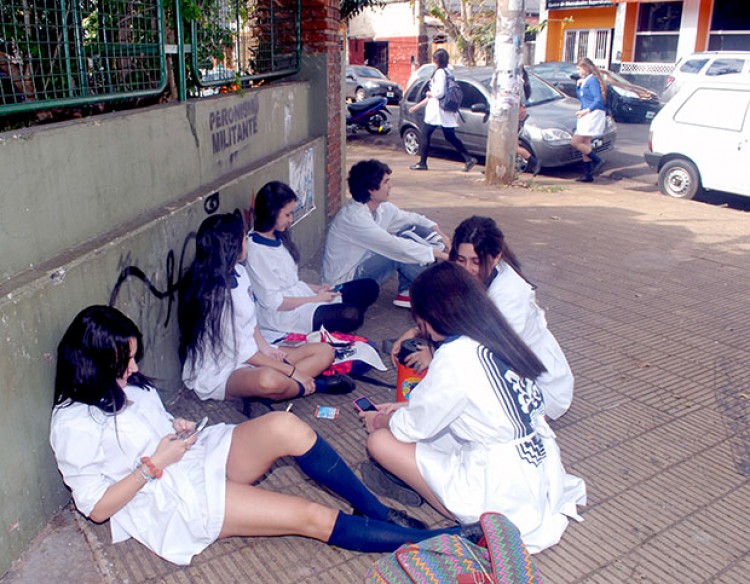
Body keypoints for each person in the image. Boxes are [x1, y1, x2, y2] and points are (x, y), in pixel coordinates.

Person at [50, 305, 470, 566]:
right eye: (124, 362)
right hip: (169, 498)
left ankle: (377, 512)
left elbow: (149, 422)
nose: (134, 368)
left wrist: (175, 425)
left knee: (287, 426)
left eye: (133, 357)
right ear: (91, 365)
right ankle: (440, 541)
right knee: (309, 516)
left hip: (194, 456)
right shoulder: (72, 424)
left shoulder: (128, 384)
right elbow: (97, 509)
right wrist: (154, 464)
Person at [359, 263, 586, 554]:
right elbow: (476, 401)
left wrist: (380, 420)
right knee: (427, 434)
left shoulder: (455, 356)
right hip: (539, 469)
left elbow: (413, 427)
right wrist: (402, 407)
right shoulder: (494, 334)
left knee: (380, 441)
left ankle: (464, 519)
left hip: (499, 485)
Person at [391, 216, 574, 420]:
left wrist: (434, 355)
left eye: (476, 261)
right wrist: (418, 331)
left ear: (496, 258)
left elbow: (486, 356)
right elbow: (452, 319)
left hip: (538, 387)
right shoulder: (470, 277)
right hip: (498, 369)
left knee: (459, 419)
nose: (467, 269)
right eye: (461, 260)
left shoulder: (510, 295)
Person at [179, 213, 353, 402]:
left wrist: (267, 349)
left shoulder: (240, 272)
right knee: (267, 380)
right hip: (225, 369)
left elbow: (252, 323)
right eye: (244, 239)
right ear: (231, 246)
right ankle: (308, 386)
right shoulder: (214, 296)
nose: (247, 242)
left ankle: (286, 388)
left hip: (256, 353)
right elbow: (242, 352)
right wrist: (292, 371)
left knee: (325, 351)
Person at [246, 181, 379, 339]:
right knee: (351, 315)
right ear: (271, 213)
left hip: (304, 297)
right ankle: (337, 321)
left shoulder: (277, 235)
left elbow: (291, 283)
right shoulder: (256, 252)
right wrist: (315, 299)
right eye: (287, 215)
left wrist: (318, 288)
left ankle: (335, 321)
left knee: (369, 287)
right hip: (284, 316)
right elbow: (274, 303)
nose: (291, 219)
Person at [322, 159, 450, 309]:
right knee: (397, 250)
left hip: (363, 265)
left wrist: (441, 235)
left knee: (411, 230)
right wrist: (442, 255)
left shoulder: (382, 208)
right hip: (344, 283)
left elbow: (413, 219)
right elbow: (395, 246)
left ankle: (408, 292)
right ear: (371, 189)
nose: (390, 186)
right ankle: (439, 292)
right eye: (386, 182)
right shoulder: (354, 218)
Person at [408, 48, 478, 172]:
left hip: (437, 111)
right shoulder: (448, 72)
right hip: (445, 109)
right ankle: (468, 158)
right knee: (450, 136)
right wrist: (418, 106)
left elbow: (439, 93)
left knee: (425, 134)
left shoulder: (439, 73)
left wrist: (429, 93)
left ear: (436, 60)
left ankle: (422, 163)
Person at [570, 57, 607, 183]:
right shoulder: (586, 81)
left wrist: (585, 111)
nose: (578, 71)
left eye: (579, 69)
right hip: (586, 114)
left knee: (575, 142)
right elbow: (582, 98)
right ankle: (588, 175)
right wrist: (578, 87)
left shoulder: (592, 81)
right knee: (585, 143)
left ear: (586, 68)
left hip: (592, 114)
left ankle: (597, 160)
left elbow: (598, 100)